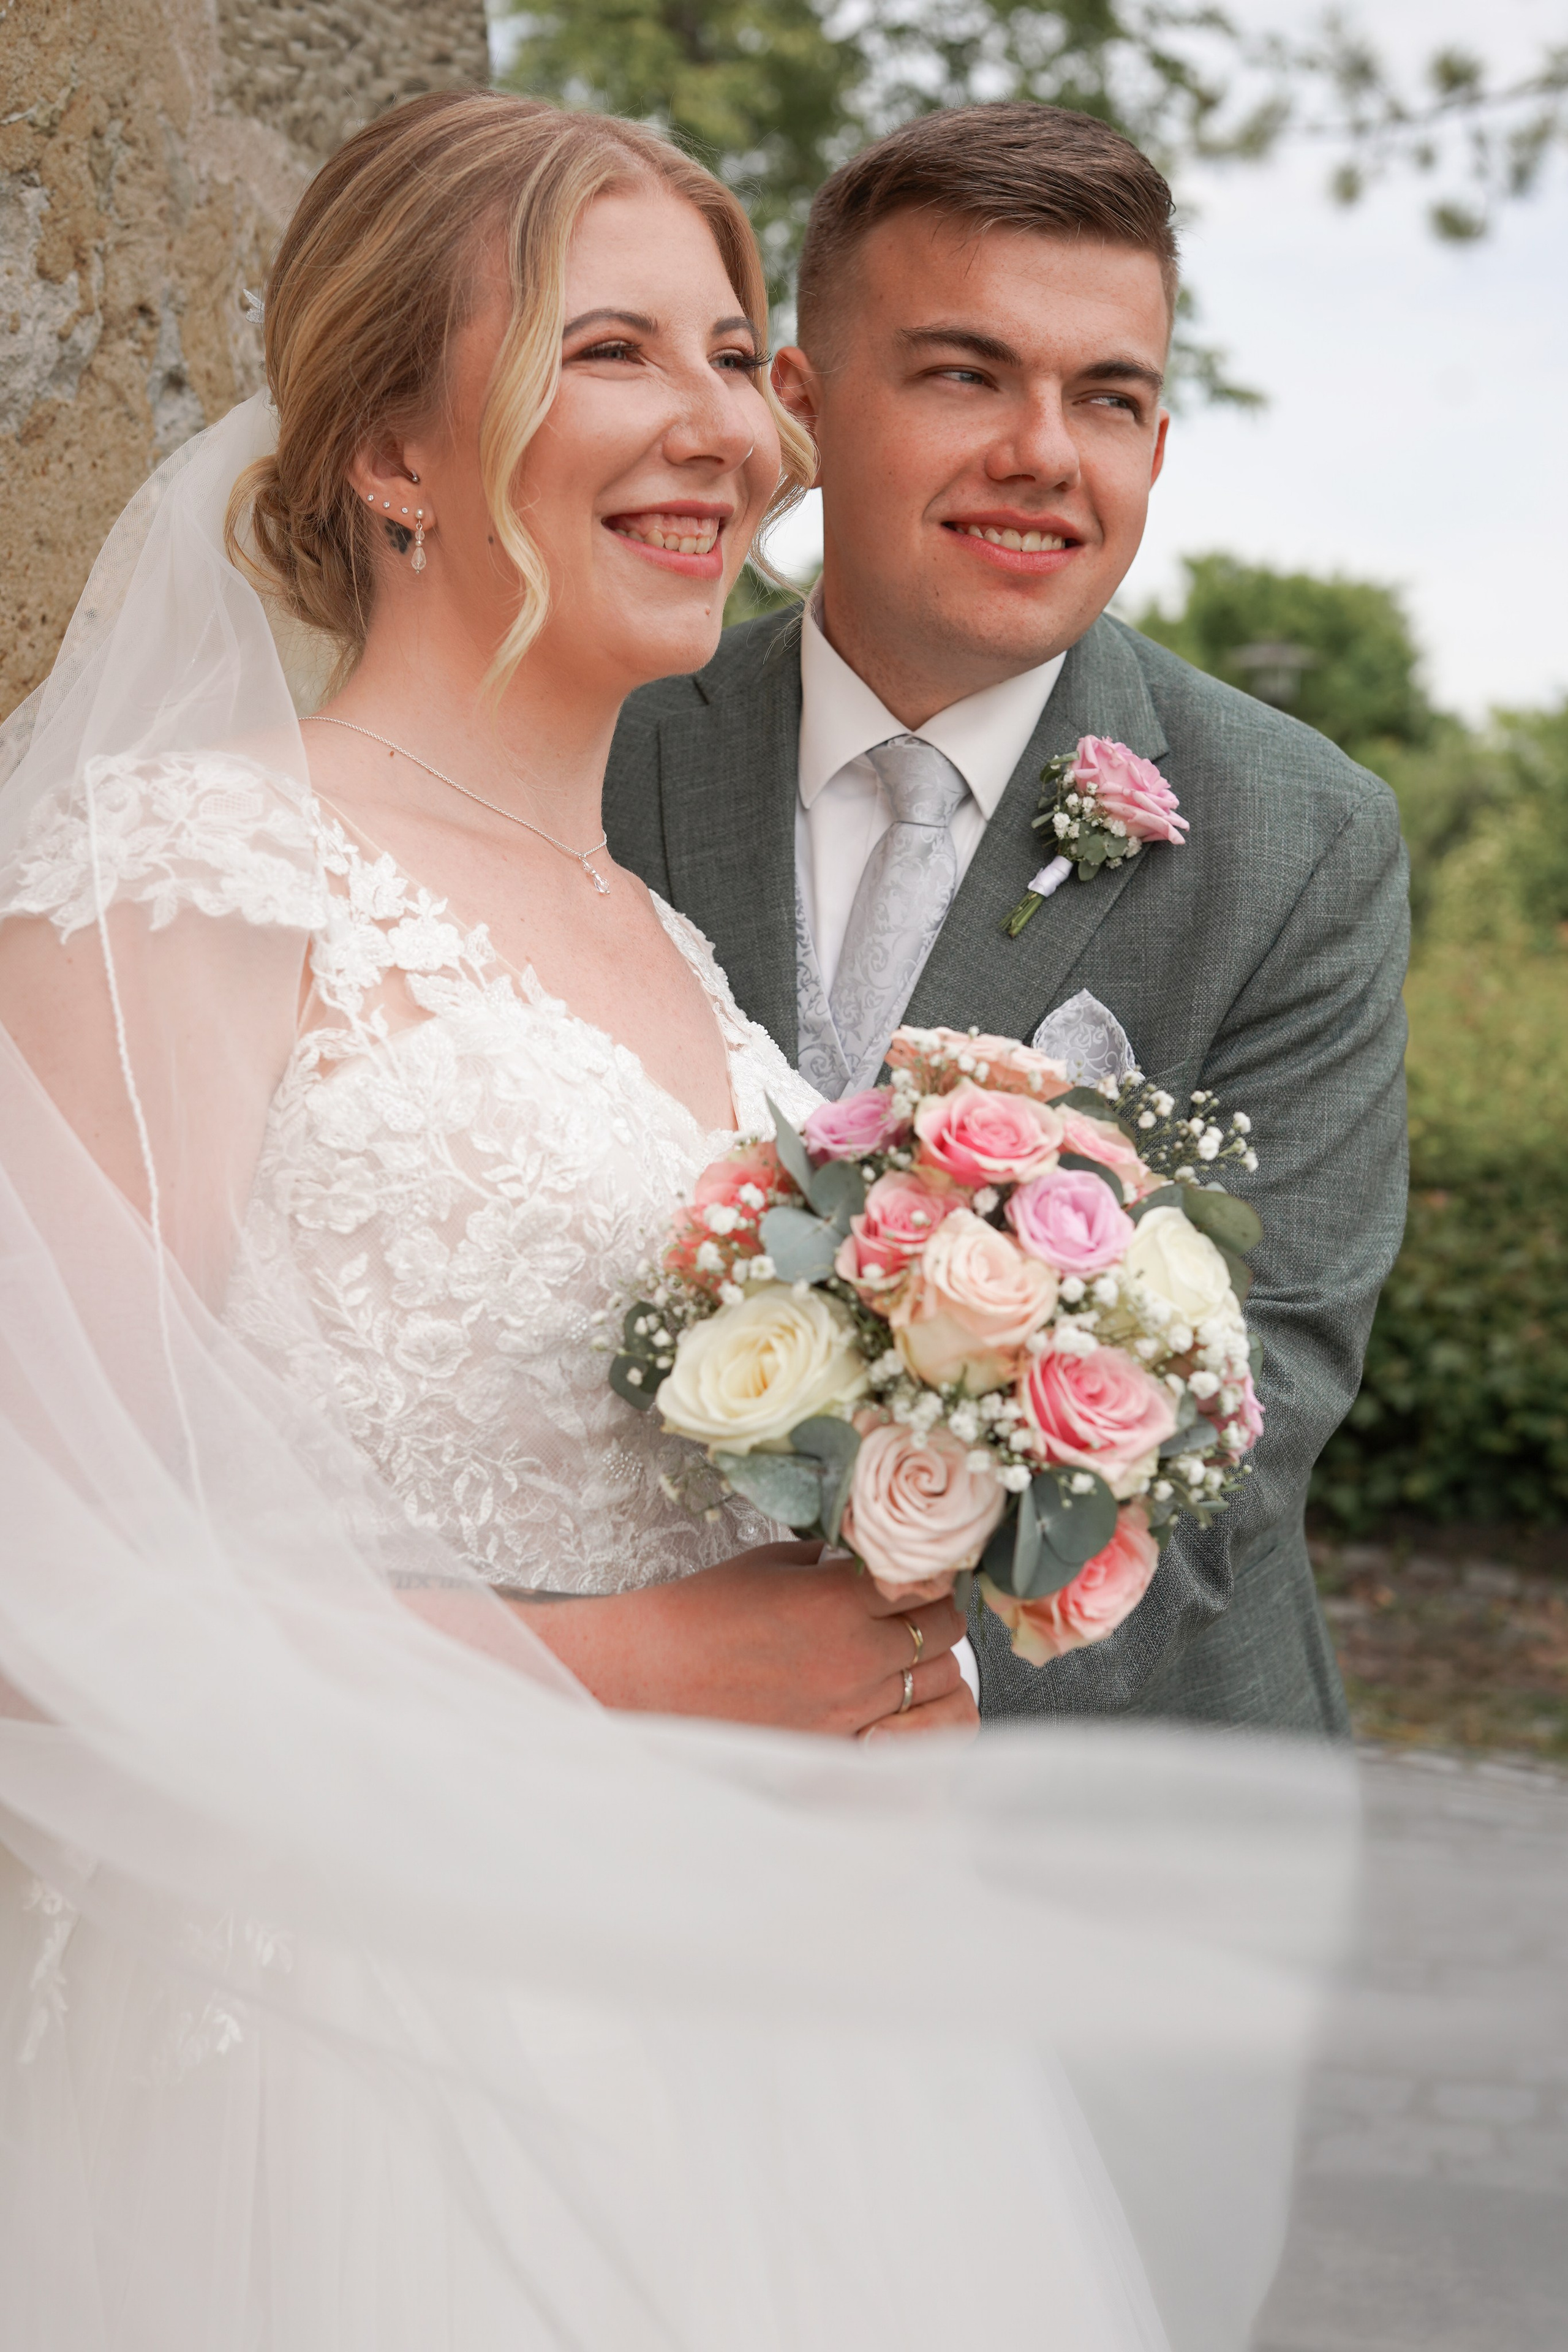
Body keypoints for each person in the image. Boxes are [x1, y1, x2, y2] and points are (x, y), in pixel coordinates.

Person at [0, 88, 1356, 2350]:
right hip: (353, 2078)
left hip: (773, 2048)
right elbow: (43, 1609)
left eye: (734, 355)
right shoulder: (190, 875)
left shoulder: (666, 957)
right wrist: (645, 1678)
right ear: (392, 453)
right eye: (608, 349)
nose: (723, 423)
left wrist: (883, 1643)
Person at [605, 101, 1410, 1736]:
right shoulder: (611, 746)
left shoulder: (1303, 839)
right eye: (966, 374)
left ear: (1157, 449)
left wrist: (908, 1681)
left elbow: (1265, 1389)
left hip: (1114, 1802)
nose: (1046, 451)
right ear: (805, 406)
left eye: (1107, 397)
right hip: (630, 1770)